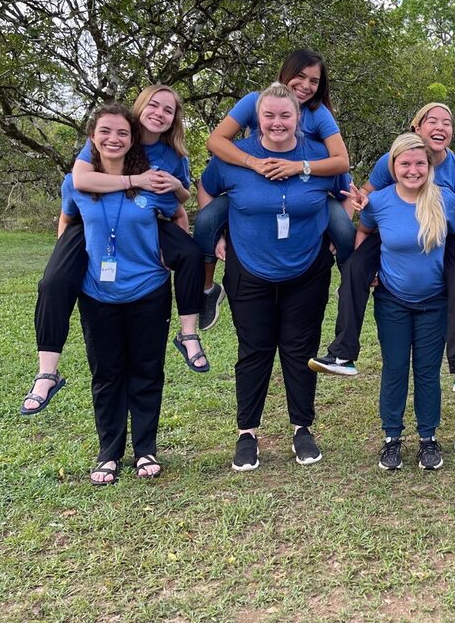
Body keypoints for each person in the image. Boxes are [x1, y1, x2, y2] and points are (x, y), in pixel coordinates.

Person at [20, 85, 207, 416]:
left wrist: (172, 242)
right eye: (153, 106)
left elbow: (180, 202)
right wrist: (135, 181)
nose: (159, 114)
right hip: (89, 223)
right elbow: (78, 181)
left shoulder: (172, 154)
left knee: (191, 253)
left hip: (146, 218)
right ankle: (47, 371)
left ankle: (189, 332)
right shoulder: (112, 132)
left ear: (175, 118)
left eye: (168, 109)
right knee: (53, 283)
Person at [200, 82, 354, 471]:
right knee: (254, 351)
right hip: (249, 269)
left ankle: (302, 429)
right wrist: (217, 234)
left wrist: (338, 233)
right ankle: (247, 434)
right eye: (269, 115)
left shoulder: (318, 158)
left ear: (298, 117)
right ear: (258, 117)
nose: (277, 123)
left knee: (300, 351)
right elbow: (206, 189)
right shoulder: (235, 158)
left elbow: (345, 194)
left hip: (306, 269)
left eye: (285, 115)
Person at [308, 103, 455, 392]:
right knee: (355, 267)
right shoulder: (396, 156)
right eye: (433, 121)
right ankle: (342, 352)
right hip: (395, 228)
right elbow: (371, 198)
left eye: (447, 123)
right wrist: (361, 203)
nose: (440, 127)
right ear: (417, 127)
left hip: (440, 231)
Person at [60, 103, 178, 484]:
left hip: (149, 289)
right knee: (107, 374)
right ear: (92, 137)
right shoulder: (76, 182)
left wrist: (173, 248)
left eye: (122, 133)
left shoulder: (151, 178)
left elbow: (178, 212)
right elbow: (67, 219)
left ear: (132, 140)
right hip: (97, 293)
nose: (114, 139)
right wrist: (67, 262)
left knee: (146, 372)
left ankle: (145, 450)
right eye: (106, 132)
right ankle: (108, 453)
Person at [196, 49, 352, 331]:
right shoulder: (255, 101)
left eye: (314, 81)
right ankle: (207, 289)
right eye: (300, 76)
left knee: (343, 228)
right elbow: (216, 140)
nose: (306, 85)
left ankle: (349, 287)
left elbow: (341, 161)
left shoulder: (318, 113)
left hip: (308, 189)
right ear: (286, 72)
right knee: (206, 221)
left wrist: (299, 167)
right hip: (254, 186)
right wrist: (252, 163)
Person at [357, 133, 455, 470]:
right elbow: (365, 233)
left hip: (434, 301)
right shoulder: (378, 202)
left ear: (428, 166)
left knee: (427, 372)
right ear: (393, 166)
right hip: (392, 301)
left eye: (419, 163)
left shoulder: (444, 200)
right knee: (395, 369)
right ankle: (391, 439)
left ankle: (428, 439)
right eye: (405, 163)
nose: (413, 170)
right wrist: (366, 269)